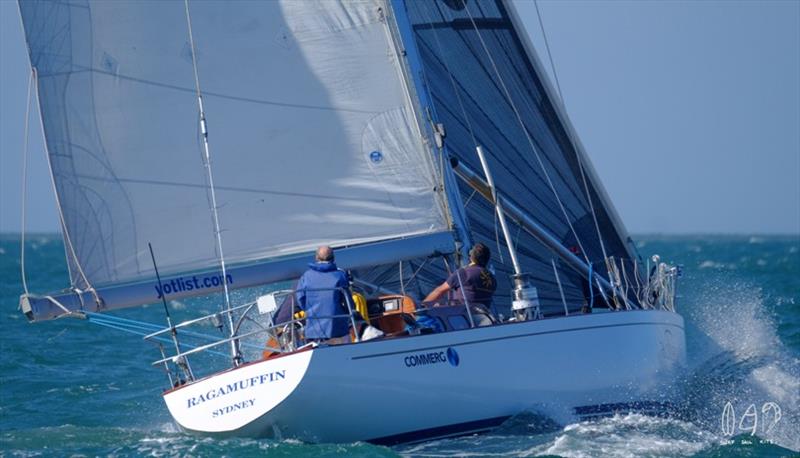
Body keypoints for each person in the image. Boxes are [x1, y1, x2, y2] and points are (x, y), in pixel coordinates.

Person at [424, 243, 497, 325]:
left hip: (463, 319)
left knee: (435, 309)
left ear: (471, 256)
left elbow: (439, 291)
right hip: (485, 319)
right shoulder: (492, 278)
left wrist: (422, 308)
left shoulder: (464, 273)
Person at [295, 245, 350, 342]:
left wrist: (310, 310)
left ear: (316, 257)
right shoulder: (340, 275)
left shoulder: (306, 276)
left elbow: (300, 298)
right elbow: (347, 301)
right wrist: (348, 312)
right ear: (333, 258)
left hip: (314, 329)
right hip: (338, 328)